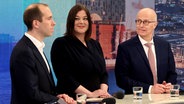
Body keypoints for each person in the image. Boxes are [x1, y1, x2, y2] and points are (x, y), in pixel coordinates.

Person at [10, 3, 76, 104]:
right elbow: (31, 93)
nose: (53, 23)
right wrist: (57, 100)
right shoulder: (24, 51)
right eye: (49, 18)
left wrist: (57, 96)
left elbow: (42, 89)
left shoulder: (35, 47)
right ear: (36, 23)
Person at [51, 4, 111, 99]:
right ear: (71, 21)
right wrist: (90, 94)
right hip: (72, 99)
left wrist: (103, 91)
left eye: (85, 18)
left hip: (97, 99)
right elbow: (65, 78)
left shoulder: (95, 44)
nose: (81, 22)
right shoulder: (61, 44)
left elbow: (103, 73)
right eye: (77, 18)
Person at [115, 8, 177, 94]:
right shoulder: (125, 48)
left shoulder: (164, 45)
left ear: (155, 24)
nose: (141, 25)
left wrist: (169, 84)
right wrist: (150, 89)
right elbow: (121, 80)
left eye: (146, 22)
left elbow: (172, 73)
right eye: (138, 21)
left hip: (163, 98)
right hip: (138, 99)